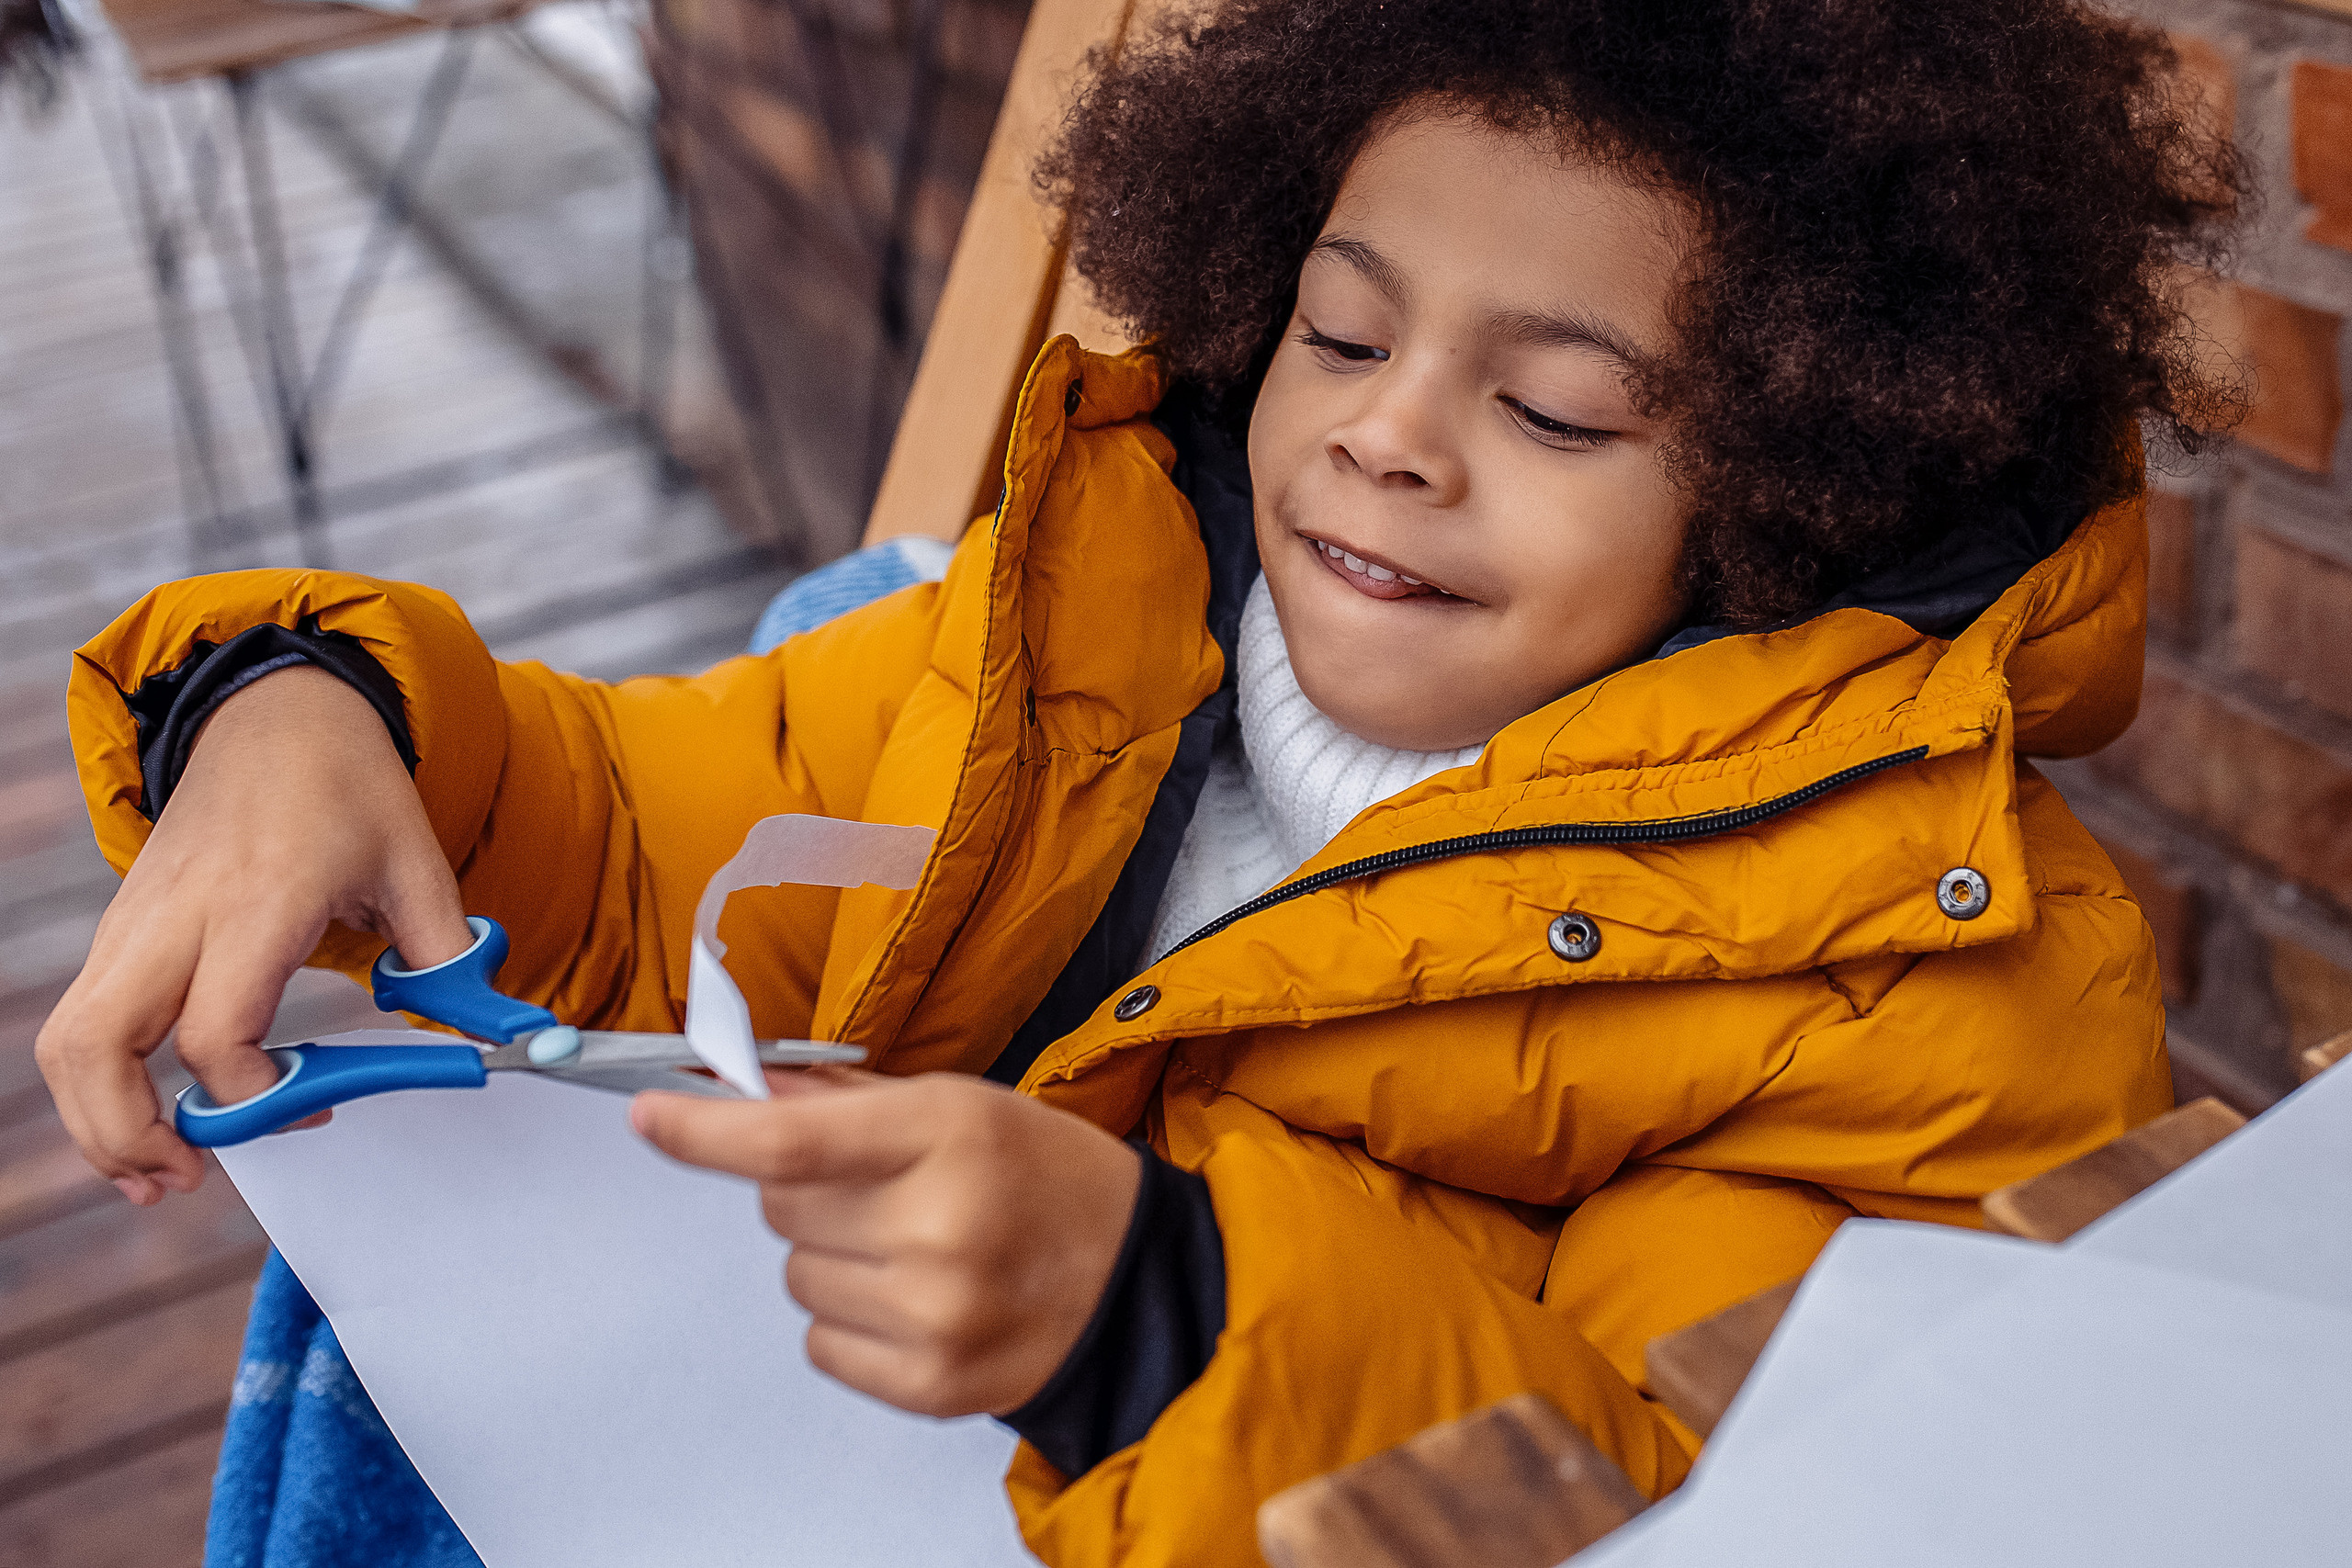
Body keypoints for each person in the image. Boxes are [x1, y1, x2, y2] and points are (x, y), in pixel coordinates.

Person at [40, 0, 2241, 1561]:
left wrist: (1156, 1315)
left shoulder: (1910, 971)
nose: (1385, 434)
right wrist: (301, 706)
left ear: (1796, 489)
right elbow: (632, 820)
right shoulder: (1071, 629)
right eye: (1342, 329)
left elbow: (1697, 1489)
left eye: (1558, 410)